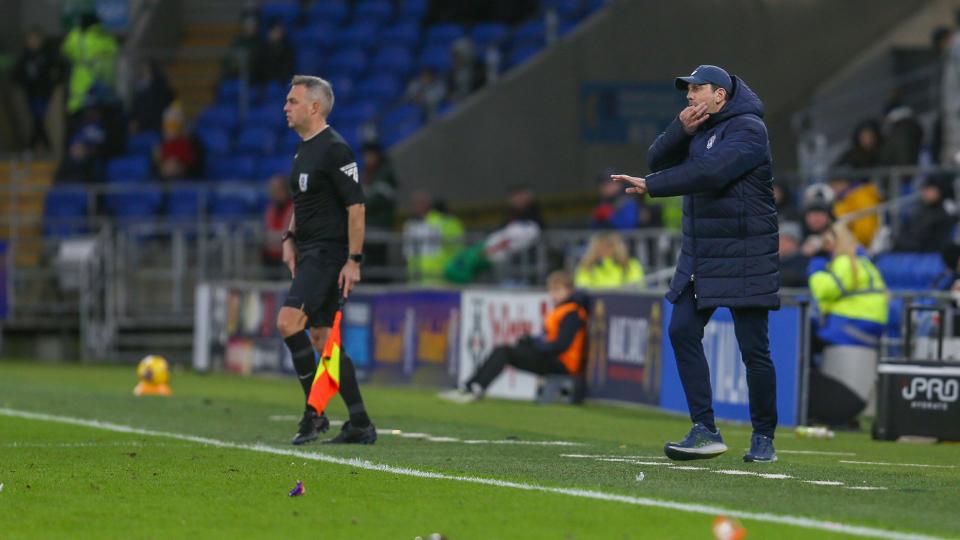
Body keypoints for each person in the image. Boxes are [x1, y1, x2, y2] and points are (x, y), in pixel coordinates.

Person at [611, 64, 779, 463]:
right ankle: (705, 428)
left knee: (753, 349)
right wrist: (679, 128)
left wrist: (652, 187)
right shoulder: (699, 129)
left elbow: (710, 172)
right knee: (682, 330)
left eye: (696, 89)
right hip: (701, 255)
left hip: (743, 254)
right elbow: (655, 158)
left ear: (719, 94)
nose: (689, 96)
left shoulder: (750, 130)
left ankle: (763, 437)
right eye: (687, 90)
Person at [276, 75, 376, 445]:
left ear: (314, 107)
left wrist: (353, 260)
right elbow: (304, 203)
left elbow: (356, 208)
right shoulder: (304, 149)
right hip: (310, 252)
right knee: (321, 339)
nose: (286, 107)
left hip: (328, 254)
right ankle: (360, 422)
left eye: (292, 101)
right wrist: (289, 237)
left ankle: (313, 414)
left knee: (288, 322)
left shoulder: (335, 149)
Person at [440, 270, 587, 403]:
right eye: (551, 290)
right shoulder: (561, 310)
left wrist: (535, 346)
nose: (553, 294)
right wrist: (531, 341)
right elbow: (549, 339)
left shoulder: (572, 313)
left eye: (557, 290)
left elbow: (561, 345)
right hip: (553, 359)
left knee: (504, 351)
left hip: (563, 364)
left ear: (569, 290)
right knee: (506, 350)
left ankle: (474, 387)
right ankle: (470, 386)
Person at [807, 223, 888, 426]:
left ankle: (810, 400)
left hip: (852, 327)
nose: (826, 249)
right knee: (810, 336)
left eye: (828, 243)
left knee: (805, 338)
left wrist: (815, 266)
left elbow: (824, 291)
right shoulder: (863, 261)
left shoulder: (845, 261)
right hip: (868, 327)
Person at [12, 27, 63, 153]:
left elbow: (61, 67)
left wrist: (54, 83)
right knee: (37, 119)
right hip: (31, 92)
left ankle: (34, 146)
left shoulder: (47, 55)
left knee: (38, 118)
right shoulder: (25, 56)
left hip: (44, 92)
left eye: (36, 39)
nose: (33, 42)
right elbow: (16, 74)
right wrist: (24, 84)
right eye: (30, 39)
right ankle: (45, 146)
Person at [61, 13, 118, 117]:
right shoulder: (105, 36)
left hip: (81, 94)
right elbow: (115, 52)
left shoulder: (76, 36)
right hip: (104, 88)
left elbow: (65, 50)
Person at [402, 190, 465, 284]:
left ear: (428, 205)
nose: (416, 207)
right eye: (415, 204)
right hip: (416, 282)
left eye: (420, 203)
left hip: (439, 282)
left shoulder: (443, 223)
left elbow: (458, 249)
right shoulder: (410, 225)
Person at [893, 175, 957, 253]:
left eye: (928, 189)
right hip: (908, 253)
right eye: (924, 189)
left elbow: (937, 242)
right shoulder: (919, 210)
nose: (924, 193)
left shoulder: (945, 214)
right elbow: (904, 232)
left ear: (938, 191)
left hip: (927, 257)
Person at [574, 231, 645, 289]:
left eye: (609, 246)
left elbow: (638, 288)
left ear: (616, 248)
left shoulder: (630, 265)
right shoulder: (586, 266)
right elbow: (582, 287)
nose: (604, 249)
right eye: (600, 246)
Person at [828, 176, 881, 249]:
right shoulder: (844, 199)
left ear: (844, 183)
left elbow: (865, 231)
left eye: (834, 185)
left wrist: (853, 245)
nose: (832, 188)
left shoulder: (861, 198)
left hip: (858, 250)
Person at [129, 60, 175, 135]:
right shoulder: (141, 88)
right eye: (142, 70)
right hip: (144, 125)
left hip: (155, 126)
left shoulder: (160, 88)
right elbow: (136, 107)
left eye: (145, 70)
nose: (143, 73)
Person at [154, 102, 197, 180]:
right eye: (167, 126)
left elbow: (196, 168)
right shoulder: (160, 144)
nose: (170, 130)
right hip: (164, 182)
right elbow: (154, 170)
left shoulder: (192, 143)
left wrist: (181, 167)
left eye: (174, 126)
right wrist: (158, 163)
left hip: (185, 182)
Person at [263, 173, 294, 274]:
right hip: (270, 257)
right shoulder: (271, 208)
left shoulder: (293, 208)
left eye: (277, 189)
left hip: (288, 256)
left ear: (285, 190)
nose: (274, 193)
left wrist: (274, 237)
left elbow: (288, 233)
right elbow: (266, 233)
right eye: (272, 189)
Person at [251, 19, 295, 86]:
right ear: (269, 32)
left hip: (281, 81)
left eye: (279, 31)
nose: (278, 33)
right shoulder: (261, 48)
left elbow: (287, 67)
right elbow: (258, 67)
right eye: (275, 31)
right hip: (264, 81)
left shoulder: (287, 48)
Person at [778, 221, 808, 288]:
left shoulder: (802, 261)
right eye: (780, 239)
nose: (782, 243)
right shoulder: (771, 261)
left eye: (787, 240)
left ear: (796, 243)